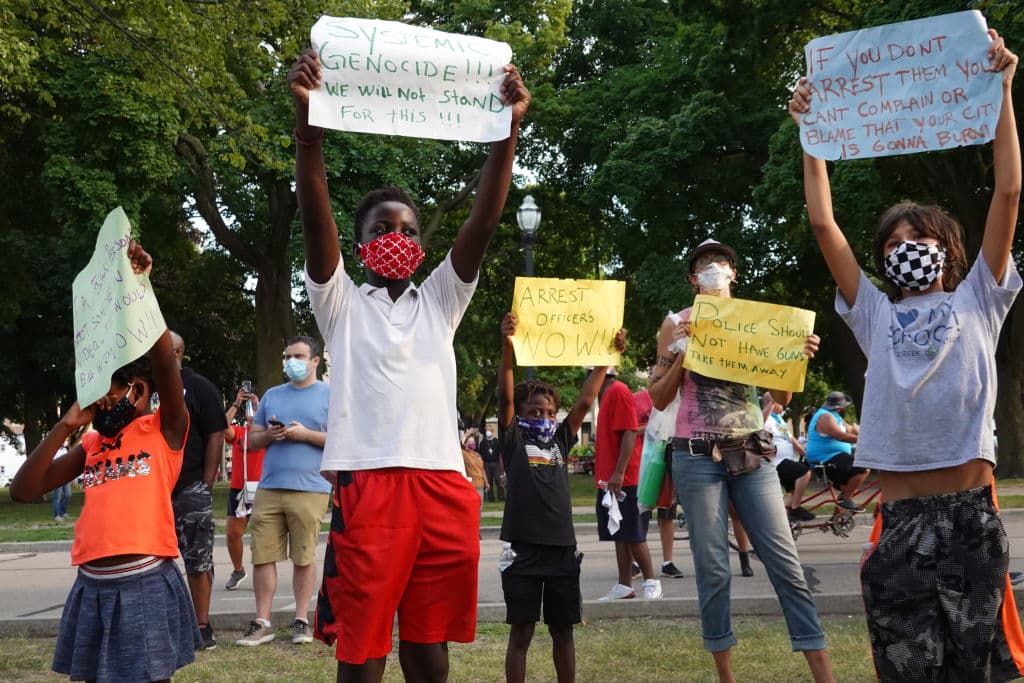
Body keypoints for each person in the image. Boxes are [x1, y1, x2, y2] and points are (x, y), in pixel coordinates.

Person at [289, 45, 530, 681]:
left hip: (442, 483)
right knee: (362, 647)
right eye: (379, 230)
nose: (395, 238)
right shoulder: (340, 303)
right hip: (369, 484)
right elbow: (316, 218)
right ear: (360, 244)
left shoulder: (442, 300)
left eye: (408, 229)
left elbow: (483, 219)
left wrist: (505, 134)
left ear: (424, 245)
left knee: (429, 648)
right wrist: (308, 134)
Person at [790, 30, 1023, 682]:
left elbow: (1006, 194)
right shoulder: (875, 314)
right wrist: (811, 134)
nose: (906, 244)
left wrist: (1002, 91)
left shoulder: (980, 296)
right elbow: (823, 225)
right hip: (900, 527)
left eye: (919, 235)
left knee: (981, 672)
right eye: (894, 240)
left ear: (949, 248)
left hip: (971, 522)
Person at [11, 242, 201, 681]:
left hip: (145, 581)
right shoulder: (92, 444)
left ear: (141, 389)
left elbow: (164, 363)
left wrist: (139, 289)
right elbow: (24, 490)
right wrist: (65, 426)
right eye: (104, 392)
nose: (109, 399)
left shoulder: (164, 428)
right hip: (93, 585)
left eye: (120, 390)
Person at [649, 238, 833, 682]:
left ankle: (823, 674)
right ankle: (726, 676)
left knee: (785, 562)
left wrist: (797, 358)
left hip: (752, 454)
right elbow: (657, 397)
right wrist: (681, 358)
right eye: (705, 263)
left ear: (734, 273)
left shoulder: (760, 321)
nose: (715, 268)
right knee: (713, 569)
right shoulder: (675, 324)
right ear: (693, 278)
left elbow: (783, 395)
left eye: (722, 262)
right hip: (695, 458)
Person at [498, 313, 624, 683]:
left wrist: (608, 356)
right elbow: (506, 393)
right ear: (519, 415)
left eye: (550, 412)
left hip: (561, 550)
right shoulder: (513, 440)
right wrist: (507, 347)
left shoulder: (559, 440)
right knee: (521, 632)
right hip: (522, 551)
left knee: (563, 630)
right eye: (535, 411)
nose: (544, 416)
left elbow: (586, 400)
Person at [235, 335, 331, 647]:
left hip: (311, 488)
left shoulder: (331, 395)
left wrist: (305, 435)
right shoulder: (273, 396)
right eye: (288, 356)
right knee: (262, 555)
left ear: (315, 361)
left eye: (299, 356)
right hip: (269, 486)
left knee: (304, 556)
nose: (291, 362)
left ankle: (301, 619)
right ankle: (262, 621)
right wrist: (271, 435)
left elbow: (341, 440)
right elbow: (252, 440)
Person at [170, 330, 227, 650]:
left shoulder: (200, 387)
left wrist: (205, 483)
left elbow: (216, 434)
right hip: (153, 490)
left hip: (191, 486)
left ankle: (202, 626)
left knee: (198, 559)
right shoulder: (145, 388)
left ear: (177, 352)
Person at [594, 370, 662, 601]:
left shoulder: (619, 391)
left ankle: (651, 581)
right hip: (610, 478)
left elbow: (630, 432)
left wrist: (619, 472)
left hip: (626, 478)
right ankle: (624, 585)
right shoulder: (604, 394)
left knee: (633, 534)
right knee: (620, 534)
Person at [635, 387, 685, 579]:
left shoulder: (678, 400)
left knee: (667, 513)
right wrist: (649, 429)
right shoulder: (639, 399)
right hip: (647, 460)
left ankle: (667, 562)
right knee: (642, 511)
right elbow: (630, 428)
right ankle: (636, 561)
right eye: (656, 378)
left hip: (668, 458)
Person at [222, 385, 266, 591]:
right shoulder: (239, 432)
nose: (252, 415)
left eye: (255, 411)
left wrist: (260, 405)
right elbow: (222, 426)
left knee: (263, 535)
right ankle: (238, 570)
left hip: (263, 489)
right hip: (239, 490)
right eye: (250, 411)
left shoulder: (267, 433)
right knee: (233, 534)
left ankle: (263, 573)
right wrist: (237, 402)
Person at [804, 392, 866, 511]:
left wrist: (866, 434)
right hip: (825, 458)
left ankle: (839, 517)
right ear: (841, 406)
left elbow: (851, 429)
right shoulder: (825, 417)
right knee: (863, 466)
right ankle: (844, 499)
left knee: (849, 485)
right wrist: (865, 440)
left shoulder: (835, 416)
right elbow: (840, 436)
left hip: (836, 458)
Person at [762, 392, 814, 522]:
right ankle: (796, 509)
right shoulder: (767, 418)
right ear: (772, 403)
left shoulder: (780, 420)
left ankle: (785, 520)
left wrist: (806, 454)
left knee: (794, 490)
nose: (784, 404)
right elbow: (760, 424)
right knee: (804, 473)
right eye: (780, 401)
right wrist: (769, 407)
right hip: (776, 462)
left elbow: (792, 440)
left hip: (787, 460)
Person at [462, 435, 488, 533]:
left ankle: (477, 531)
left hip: (481, 485)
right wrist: (465, 435)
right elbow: (459, 446)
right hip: (472, 486)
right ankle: (471, 531)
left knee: (479, 510)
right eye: (469, 442)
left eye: (473, 441)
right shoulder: (464, 454)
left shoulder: (477, 455)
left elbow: (482, 469)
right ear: (465, 444)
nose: (472, 443)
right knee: (472, 510)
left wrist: (486, 482)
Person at [479, 426, 505, 502]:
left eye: (489, 430)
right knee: (489, 480)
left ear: (492, 431)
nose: (488, 431)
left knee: (498, 480)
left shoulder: (497, 441)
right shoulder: (482, 443)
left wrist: (501, 467)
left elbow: (500, 454)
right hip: (486, 464)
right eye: (486, 430)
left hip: (496, 463)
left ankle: (501, 496)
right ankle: (490, 498)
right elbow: (481, 455)